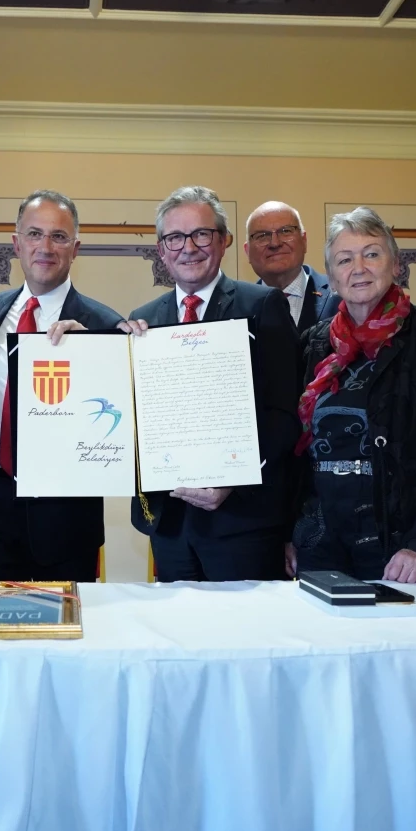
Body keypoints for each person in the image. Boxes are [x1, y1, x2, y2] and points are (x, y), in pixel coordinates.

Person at [127, 185, 301, 582]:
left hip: (243, 523)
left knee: (243, 625)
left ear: (223, 240)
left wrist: (233, 478)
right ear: (161, 250)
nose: (188, 248)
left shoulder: (262, 305)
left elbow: (285, 414)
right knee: (176, 623)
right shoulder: (142, 321)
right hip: (170, 525)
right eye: (175, 237)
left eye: (201, 234)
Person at [288, 207, 416, 582]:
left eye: (371, 254)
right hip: (318, 537)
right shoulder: (314, 343)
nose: (358, 268)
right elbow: (295, 452)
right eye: (345, 259)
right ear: (332, 277)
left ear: (395, 264)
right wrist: (290, 533)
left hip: (398, 542)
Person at [0, 190, 124, 582]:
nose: (46, 247)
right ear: (16, 243)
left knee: (67, 620)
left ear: (76, 249)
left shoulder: (104, 325)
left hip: (65, 519)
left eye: (59, 237)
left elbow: (116, 421)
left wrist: (91, 356)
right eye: (35, 234)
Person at [243, 200, 336, 332]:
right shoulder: (239, 309)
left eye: (286, 231)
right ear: (247, 251)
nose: (275, 243)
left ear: (304, 241)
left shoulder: (339, 294)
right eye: (262, 236)